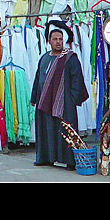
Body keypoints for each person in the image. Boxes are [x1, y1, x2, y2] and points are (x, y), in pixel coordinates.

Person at [30, 20, 89, 170]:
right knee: (46, 130)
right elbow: (38, 78)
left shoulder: (70, 57)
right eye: (55, 39)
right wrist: (34, 97)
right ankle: (46, 158)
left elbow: (77, 79)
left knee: (65, 131)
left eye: (60, 39)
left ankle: (69, 161)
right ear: (49, 41)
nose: (58, 42)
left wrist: (72, 100)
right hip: (44, 102)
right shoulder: (44, 58)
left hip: (64, 103)